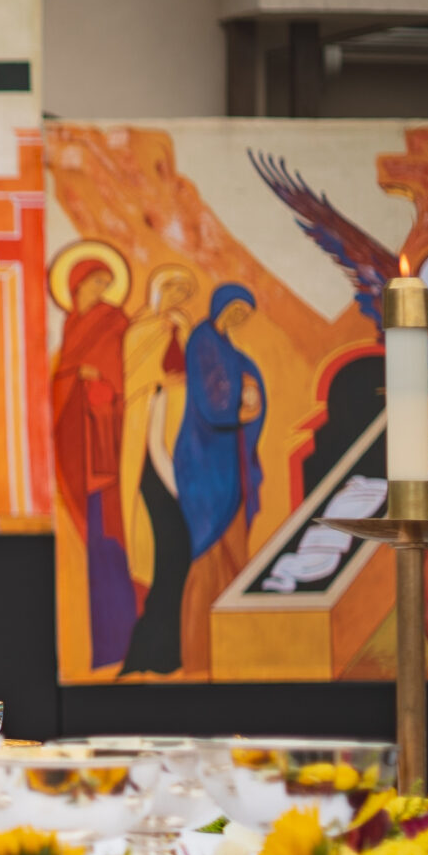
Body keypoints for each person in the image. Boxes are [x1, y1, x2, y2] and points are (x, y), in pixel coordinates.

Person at [172, 286, 265, 676]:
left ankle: (234, 657)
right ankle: (197, 660)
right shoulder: (203, 341)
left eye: (245, 314)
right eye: (236, 309)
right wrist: (241, 407)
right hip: (203, 465)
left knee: (235, 559)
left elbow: (245, 380)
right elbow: (212, 402)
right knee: (206, 560)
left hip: (230, 464)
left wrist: (253, 391)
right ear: (220, 306)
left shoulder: (227, 349)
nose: (239, 318)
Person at [49, 259, 133, 666]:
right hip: (77, 439)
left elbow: (119, 374)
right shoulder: (72, 324)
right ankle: (105, 646)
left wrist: (95, 377)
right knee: (93, 542)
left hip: (104, 442)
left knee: (108, 535)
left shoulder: (113, 320)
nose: (102, 288)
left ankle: (120, 637)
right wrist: (74, 375)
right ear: (78, 282)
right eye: (97, 281)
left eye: (107, 282)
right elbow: (63, 376)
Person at [119, 265, 197, 675]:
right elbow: (137, 386)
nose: (176, 299)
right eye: (171, 290)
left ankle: (164, 653)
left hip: (173, 447)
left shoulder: (179, 328)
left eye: (182, 293)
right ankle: (150, 652)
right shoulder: (142, 331)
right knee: (171, 551)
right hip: (150, 454)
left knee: (178, 556)